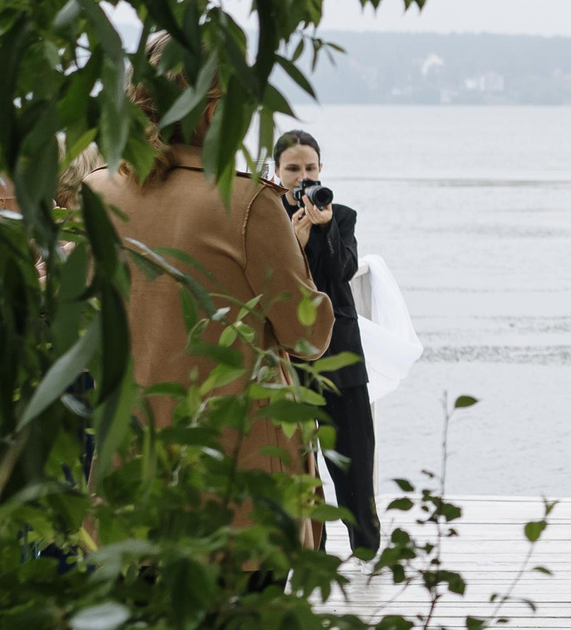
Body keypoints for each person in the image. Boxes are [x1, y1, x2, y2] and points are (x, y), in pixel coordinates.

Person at [85, 51, 332, 530]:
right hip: (237, 478)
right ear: (216, 112)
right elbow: (308, 335)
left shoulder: (98, 192)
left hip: (128, 469)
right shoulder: (247, 202)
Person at [270, 130, 379, 558]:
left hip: (339, 352)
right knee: (300, 459)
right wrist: (292, 244)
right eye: (293, 169)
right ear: (276, 173)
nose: (302, 179)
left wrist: (326, 227)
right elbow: (273, 282)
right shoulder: (266, 217)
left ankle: (367, 550)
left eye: (310, 169)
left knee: (354, 455)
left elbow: (342, 270)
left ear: (321, 171)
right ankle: (312, 550)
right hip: (291, 353)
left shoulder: (343, 216)